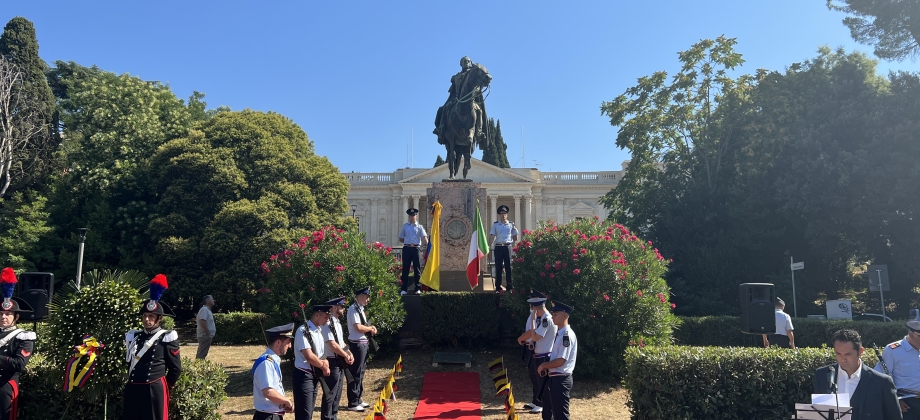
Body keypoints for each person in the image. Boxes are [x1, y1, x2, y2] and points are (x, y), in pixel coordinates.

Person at [124, 274, 181, 420]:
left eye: (151, 316)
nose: (147, 319)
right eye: (145, 316)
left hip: (154, 388)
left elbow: (175, 368)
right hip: (133, 388)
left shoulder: (166, 337)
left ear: (159, 318)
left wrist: (166, 386)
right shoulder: (134, 336)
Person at [814, 329, 901, 419]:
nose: (842, 359)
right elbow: (819, 412)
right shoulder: (822, 375)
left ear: (860, 351)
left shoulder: (882, 382)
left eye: (848, 354)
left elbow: (894, 417)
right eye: (838, 354)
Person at [0, 268, 36, 420]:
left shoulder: (23, 336)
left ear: (16, 316)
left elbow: (19, 364)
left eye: (8, 314)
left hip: (6, 386)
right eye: (1, 314)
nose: (4, 317)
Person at [517, 290, 556, 414]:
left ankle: (543, 404)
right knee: (536, 380)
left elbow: (534, 337)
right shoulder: (542, 318)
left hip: (544, 356)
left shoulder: (546, 320)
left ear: (535, 307)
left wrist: (533, 321)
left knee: (542, 382)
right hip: (539, 354)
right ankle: (538, 401)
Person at [537, 300, 578, 420]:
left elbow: (561, 360)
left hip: (561, 379)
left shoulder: (566, 335)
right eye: (553, 314)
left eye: (556, 314)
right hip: (556, 378)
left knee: (561, 415)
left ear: (564, 315)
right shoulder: (560, 334)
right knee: (556, 413)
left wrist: (545, 365)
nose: (553, 316)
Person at [876, 315, 920, 419]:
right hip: (907, 403)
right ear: (912, 335)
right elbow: (881, 379)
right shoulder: (894, 350)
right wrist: (895, 401)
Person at [292, 304, 332, 420]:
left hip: (314, 374)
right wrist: (323, 367)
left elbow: (320, 353)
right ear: (317, 315)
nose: (327, 320)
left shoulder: (318, 331)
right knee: (304, 414)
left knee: (308, 412)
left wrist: (326, 362)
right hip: (304, 375)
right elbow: (309, 356)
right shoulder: (303, 331)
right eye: (325, 317)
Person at [432, 56, 486, 140]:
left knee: (479, 111)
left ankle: (478, 131)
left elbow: (478, 87)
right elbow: (452, 91)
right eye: (465, 61)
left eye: (468, 61)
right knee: (445, 108)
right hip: (457, 98)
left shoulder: (473, 75)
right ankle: (441, 128)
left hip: (470, 100)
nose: (467, 63)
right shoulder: (456, 77)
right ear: (461, 64)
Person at [320, 296, 354, 420]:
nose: (343, 309)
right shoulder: (328, 323)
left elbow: (341, 342)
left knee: (337, 393)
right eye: (341, 306)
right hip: (331, 361)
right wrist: (345, 355)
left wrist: (349, 352)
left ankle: (333, 416)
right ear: (334, 308)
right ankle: (327, 417)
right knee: (330, 393)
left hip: (338, 361)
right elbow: (332, 344)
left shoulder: (337, 323)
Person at [252, 323, 295, 420]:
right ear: (278, 343)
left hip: (272, 415)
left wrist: (282, 402)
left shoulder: (271, 361)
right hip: (267, 416)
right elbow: (268, 392)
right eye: (288, 342)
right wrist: (286, 401)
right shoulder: (266, 363)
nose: (290, 346)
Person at [346, 286, 377, 412]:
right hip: (357, 344)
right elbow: (358, 327)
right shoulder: (353, 309)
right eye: (366, 297)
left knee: (361, 372)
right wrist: (370, 329)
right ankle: (352, 402)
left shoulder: (360, 309)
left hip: (362, 343)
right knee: (355, 373)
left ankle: (358, 398)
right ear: (360, 297)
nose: (368, 299)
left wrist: (371, 328)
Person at [398, 208, 428, 295]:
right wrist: (408, 242)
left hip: (416, 249)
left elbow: (424, 237)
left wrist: (429, 245)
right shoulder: (405, 226)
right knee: (406, 269)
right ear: (409, 216)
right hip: (407, 248)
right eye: (410, 215)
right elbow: (400, 238)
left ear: (416, 216)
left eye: (413, 215)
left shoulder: (420, 227)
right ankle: (404, 289)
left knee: (417, 269)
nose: (412, 217)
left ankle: (417, 288)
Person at [489, 205, 518, 293]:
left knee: (508, 267)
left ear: (507, 214)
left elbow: (516, 236)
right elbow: (492, 236)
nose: (503, 215)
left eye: (504, 213)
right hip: (498, 247)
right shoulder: (496, 225)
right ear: (499, 215)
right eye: (501, 213)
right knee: (498, 267)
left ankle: (509, 286)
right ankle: (498, 287)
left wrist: (513, 235)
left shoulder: (511, 224)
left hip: (507, 247)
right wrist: (488, 247)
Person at [196, 294, 216, 359]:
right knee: (201, 354)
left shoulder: (207, 310)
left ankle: (199, 366)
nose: (213, 300)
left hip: (206, 335)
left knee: (203, 353)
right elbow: (202, 322)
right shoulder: (204, 310)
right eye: (212, 299)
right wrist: (208, 334)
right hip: (204, 335)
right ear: (208, 302)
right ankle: (198, 367)